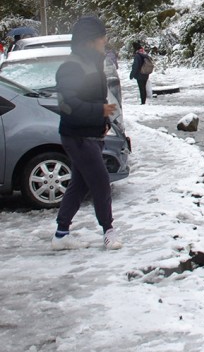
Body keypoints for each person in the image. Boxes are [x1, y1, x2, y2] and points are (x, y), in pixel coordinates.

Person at [52, 16, 122, 250]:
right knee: (101, 181)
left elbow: (95, 97)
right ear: (90, 41)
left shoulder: (93, 64)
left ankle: (61, 234)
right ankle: (108, 231)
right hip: (77, 136)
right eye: (102, 36)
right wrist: (99, 110)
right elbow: (68, 105)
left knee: (80, 184)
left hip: (92, 134)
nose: (105, 40)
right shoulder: (71, 67)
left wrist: (103, 119)